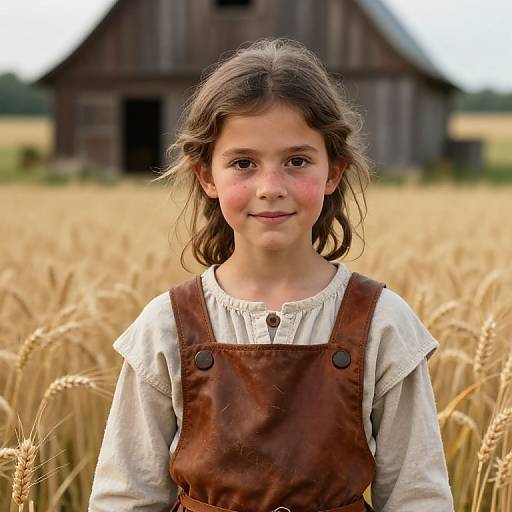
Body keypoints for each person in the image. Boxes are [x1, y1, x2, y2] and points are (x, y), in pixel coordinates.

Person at [88, 38, 454, 512]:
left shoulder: (382, 323)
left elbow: (418, 496)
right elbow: (125, 498)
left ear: (333, 172)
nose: (270, 188)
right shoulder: (166, 326)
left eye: (296, 161)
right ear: (207, 177)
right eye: (244, 163)